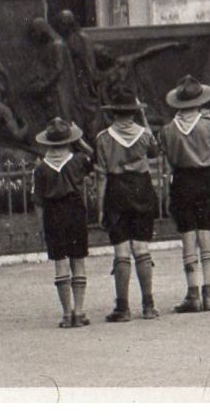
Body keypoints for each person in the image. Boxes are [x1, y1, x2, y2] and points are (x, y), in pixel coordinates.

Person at [161, 76, 210, 313]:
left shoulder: (167, 129)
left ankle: (192, 293)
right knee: (205, 233)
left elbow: (166, 159)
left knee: (187, 237)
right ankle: (209, 290)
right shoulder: (208, 121)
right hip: (204, 178)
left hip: (181, 180)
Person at [94, 85, 160, 322]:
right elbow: (154, 151)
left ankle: (122, 307)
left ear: (113, 113)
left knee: (121, 251)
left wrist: (100, 207)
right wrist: (143, 119)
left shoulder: (103, 138)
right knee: (142, 249)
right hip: (142, 188)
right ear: (134, 111)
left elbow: (101, 175)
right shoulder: (144, 135)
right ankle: (149, 305)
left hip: (116, 190)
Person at [32, 117, 94, 328]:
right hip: (75, 211)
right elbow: (94, 158)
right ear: (69, 140)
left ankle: (66, 313)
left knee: (60, 263)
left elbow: (38, 203)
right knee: (78, 260)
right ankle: (79, 310)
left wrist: (41, 229)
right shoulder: (78, 161)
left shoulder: (40, 169)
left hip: (52, 214)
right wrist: (81, 139)